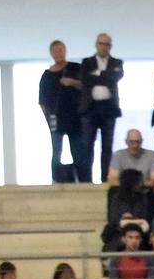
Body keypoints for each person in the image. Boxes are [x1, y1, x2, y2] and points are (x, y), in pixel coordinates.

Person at [39, 42, 87, 183]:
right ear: (51, 53)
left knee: (78, 151)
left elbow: (87, 87)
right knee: (56, 150)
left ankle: (83, 181)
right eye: (55, 51)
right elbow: (42, 101)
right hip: (56, 119)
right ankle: (55, 179)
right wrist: (48, 119)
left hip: (75, 118)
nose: (58, 53)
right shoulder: (47, 76)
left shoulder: (75, 68)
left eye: (60, 50)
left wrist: (72, 82)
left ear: (65, 51)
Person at [81, 33, 125, 184]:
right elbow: (85, 80)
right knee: (87, 145)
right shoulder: (87, 62)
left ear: (110, 46)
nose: (103, 47)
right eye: (101, 43)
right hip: (90, 108)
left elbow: (116, 77)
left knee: (107, 145)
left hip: (109, 107)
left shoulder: (117, 62)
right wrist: (106, 75)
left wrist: (98, 75)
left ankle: (105, 178)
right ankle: (86, 180)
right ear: (96, 44)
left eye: (106, 44)